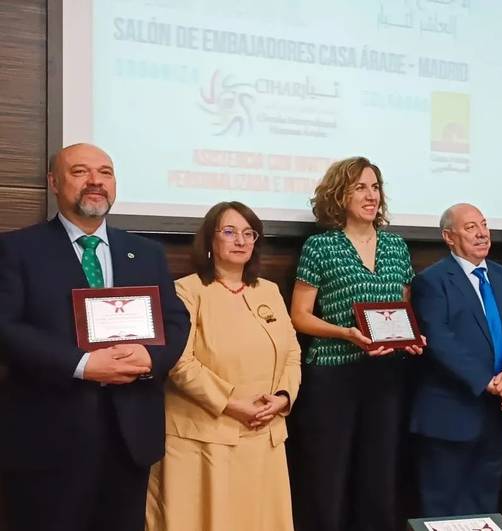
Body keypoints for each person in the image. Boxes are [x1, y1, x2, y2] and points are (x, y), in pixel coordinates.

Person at [0, 143, 190, 531]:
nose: (95, 182)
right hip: (47, 438)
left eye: (105, 172)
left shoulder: (146, 252)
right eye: (80, 172)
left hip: (129, 437)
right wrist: (82, 364)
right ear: (54, 182)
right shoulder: (16, 249)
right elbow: (5, 327)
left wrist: (152, 358)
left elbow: (175, 320)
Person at [145, 202, 301, 531]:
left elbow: (292, 353)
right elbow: (179, 362)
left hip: (264, 436)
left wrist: (284, 397)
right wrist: (231, 403)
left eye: (249, 233)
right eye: (229, 232)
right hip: (203, 441)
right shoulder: (186, 291)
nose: (241, 240)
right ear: (209, 241)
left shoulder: (269, 291)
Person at [288, 156, 420, 531]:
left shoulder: (396, 247)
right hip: (333, 375)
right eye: (360, 187)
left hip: (386, 375)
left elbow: (403, 310)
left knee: (380, 478)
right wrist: (346, 333)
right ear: (339, 194)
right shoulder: (320, 246)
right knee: (327, 478)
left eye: (375, 186)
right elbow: (300, 315)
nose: (370, 195)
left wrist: (412, 337)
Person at [410, 203, 502, 516]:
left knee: (485, 506)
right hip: (450, 415)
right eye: (470, 227)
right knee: (443, 509)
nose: (482, 233)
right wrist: (488, 381)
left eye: (484, 224)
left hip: (497, 415)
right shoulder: (432, 281)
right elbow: (439, 341)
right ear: (449, 237)